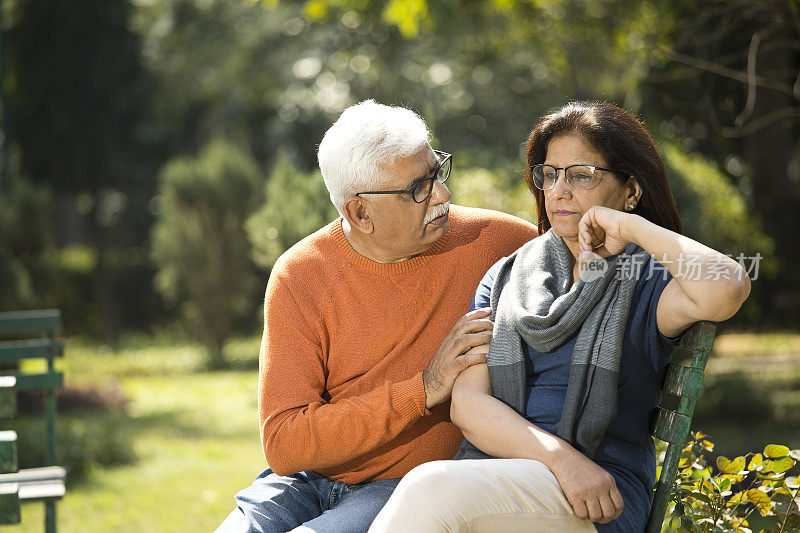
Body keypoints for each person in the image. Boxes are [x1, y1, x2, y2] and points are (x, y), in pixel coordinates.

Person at [370, 101, 751, 533]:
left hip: (597, 498)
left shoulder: (644, 279)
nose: (559, 191)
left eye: (581, 175)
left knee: (431, 489)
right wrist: (561, 460)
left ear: (631, 190)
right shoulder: (507, 276)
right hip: (509, 480)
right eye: (549, 174)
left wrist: (626, 227)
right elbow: (469, 403)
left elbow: (729, 286)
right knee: (434, 490)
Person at [216, 100, 537, 533]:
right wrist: (423, 388)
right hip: (299, 483)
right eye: (417, 188)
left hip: (405, 489)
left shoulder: (501, 241)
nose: (441, 195)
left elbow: (596, 266)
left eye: (436, 172)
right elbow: (285, 442)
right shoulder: (301, 273)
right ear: (358, 212)